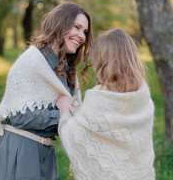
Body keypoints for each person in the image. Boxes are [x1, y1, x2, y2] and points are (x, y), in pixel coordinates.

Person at [0, 2, 93, 180]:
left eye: (85, 32)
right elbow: (17, 115)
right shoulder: (31, 62)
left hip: (46, 154)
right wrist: (64, 113)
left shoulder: (67, 69)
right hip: (19, 152)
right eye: (77, 27)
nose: (81, 36)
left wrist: (74, 112)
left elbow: (72, 110)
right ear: (60, 25)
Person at [56, 28, 155, 180]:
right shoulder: (143, 95)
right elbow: (115, 123)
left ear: (103, 62)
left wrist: (64, 111)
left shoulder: (99, 97)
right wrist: (82, 112)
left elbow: (72, 136)